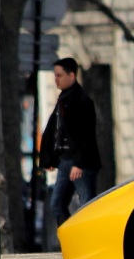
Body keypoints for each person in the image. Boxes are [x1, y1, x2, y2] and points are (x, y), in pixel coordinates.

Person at [39, 57, 102, 226]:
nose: (56, 79)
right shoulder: (63, 99)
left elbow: (85, 134)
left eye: (59, 75)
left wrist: (79, 163)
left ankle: (88, 242)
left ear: (72, 76)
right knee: (57, 204)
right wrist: (49, 158)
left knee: (87, 205)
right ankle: (69, 240)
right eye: (55, 75)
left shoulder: (81, 100)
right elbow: (54, 130)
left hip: (81, 163)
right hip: (65, 160)